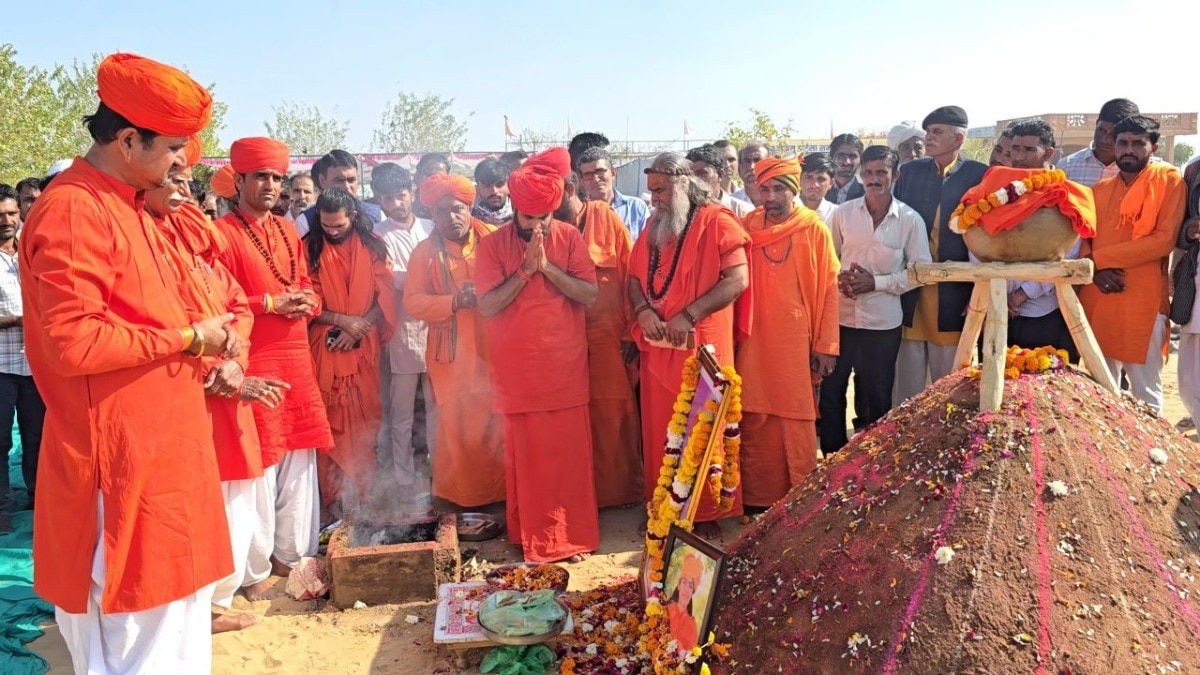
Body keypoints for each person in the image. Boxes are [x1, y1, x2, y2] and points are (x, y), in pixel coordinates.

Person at [20, 51, 235, 674]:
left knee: (175, 626)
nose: (180, 164)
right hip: (122, 473)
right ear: (127, 138)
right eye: (172, 148)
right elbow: (75, 342)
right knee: (143, 638)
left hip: (165, 460)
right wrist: (188, 339)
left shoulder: (130, 204)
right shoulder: (73, 208)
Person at [141, 157, 282, 634]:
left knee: (236, 498)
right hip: (189, 402)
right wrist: (225, 372)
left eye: (188, 184)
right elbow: (163, 335)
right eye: (174, 180)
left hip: (227, 397)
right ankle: (197, 607)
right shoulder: (149, 251)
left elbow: (237, 308)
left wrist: (237, 364)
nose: (184, 192)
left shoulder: (201, 255)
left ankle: (216, 600)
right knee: (198, 506)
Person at [213, 137, 334, 595]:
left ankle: (292, 555)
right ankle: (255, 570)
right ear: (238, 180)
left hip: (295, 357)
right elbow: (214, 302)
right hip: (252, 359)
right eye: (260, 176)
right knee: (260, 465)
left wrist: (309, 298)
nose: (270, 185)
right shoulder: (221, 233)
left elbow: (304, 283)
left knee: (299, 458)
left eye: (277, 178)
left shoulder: (287, 230)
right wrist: (269, 302)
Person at [475, 150, 600, 562]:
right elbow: (488, 305)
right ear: (515, 210)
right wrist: (526, 271)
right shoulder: (493, 246)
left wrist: (548, 269)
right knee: (527, 458)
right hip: (517, 370)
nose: (539, 226)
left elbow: (589, 293)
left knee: (567, 457)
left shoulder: (570, 237)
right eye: (530, 219)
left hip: (564, 366)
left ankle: (570, 537)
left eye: (545, 217)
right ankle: (530, 536)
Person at [629, 152, 750, 539]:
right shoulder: (654, 226)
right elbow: (633, 278)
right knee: (663, 428)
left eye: (661, 190)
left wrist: (690, 314)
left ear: (684, 183)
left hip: (703, 344)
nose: (655, 199)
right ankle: (664, 504)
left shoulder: (718, 221)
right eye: (651, 191)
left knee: (703, 426)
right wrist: (644, 310)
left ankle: (705, 509)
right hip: (659, 343)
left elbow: (737, 279)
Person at [736, 157, 839, 506]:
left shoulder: (813, 228)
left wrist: (826, 344)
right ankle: (757, 495)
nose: (770, 196)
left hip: (797, 338)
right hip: (753, 336)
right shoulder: (746, 225)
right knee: (755, 411)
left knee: (796, 414)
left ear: (793, 191)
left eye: (778, 188)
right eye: (764, 188)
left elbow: (828, 287)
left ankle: (799, 494)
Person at [403, 174, 506, 508]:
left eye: (457, 209)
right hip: (450, 357)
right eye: (442, 211)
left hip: (494, 349)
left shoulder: (493, 239)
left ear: (469, 206)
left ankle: (501, 494)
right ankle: (463, 500)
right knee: (455, 426)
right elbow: (413, 301)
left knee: (496, 421)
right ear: (432, 215)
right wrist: (452, 302)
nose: (451, 217)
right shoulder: (423, 253)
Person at [819, 146, 929, 453]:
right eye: (868, 172)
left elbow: (920, 273)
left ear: (896, 175)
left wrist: (876, 282)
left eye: (881, 172)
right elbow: (828, 259)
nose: (873, 179)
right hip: (840, 318)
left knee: (876, 394)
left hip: (882, 324)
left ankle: (870, 462)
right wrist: (840, 279)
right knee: (831, 390)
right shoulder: (843, 214)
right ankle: (831, 458)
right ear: (860, 175)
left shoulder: (910, 220)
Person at [1079, 116, 1186, 413]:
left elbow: (1163, 241)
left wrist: (1097, 261)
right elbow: (1086, 236)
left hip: (1143, 299)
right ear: (1113, 146)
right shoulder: (1100, 190)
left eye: (1138, 143)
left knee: (1146, 394)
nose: (1129, 149)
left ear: (1153, 146)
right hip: (1098, 295)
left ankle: (1152, 458)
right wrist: (1095, 271)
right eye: (1122, 143)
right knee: (1100, 390)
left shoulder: (1169, 181)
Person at [552, 164, 643, 508]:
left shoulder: (606, 219)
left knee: (614, 415)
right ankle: (579, 493)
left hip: (608, 337)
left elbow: (631, 274)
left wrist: (631, 332)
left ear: (570, 191)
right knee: (571, 419)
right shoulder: (545, 228)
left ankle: (618, 493)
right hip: (563, 343)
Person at [306, 188, 396, 512]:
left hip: (364, 346)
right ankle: (332, 505)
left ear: (353, 217)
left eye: (338, 226)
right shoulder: (309, 248)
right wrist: (341, 321)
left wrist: (361, 324)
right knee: (331, 425)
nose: (332, 232)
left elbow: (384, 294)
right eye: (326, 225)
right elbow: (307, 298)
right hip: (325, 346)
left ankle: (366, 499)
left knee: (366, 421)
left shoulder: (373, 247)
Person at [893, 105, 987, 404]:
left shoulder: (978, 175)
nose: (929, 139)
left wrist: (976, 291)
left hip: (954, 292)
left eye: (937, 132)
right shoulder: (910, 171)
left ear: (958, 139)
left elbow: (985, 236)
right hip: (912, 289)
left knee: (950, 384)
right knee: (907, 384)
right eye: (928, 132)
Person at [375, 165, 436, 491]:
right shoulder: (379, 235)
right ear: (380, 201)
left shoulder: (430, 226)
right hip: (403, 331)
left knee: (436, 406)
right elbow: (391, 279)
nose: (397, 203)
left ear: (412, 193)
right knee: (402, 411)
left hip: (437, 327)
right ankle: (402, 477)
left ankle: (440, 472)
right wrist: (429, 281)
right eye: (390, 198)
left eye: (402, 195)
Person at [998, 120, 1079, 361]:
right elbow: (977, 241)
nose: (1019, 156)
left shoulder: (1066, 193)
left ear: (1050, 152)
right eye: (1015, 148)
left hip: (1045, 310)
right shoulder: (993, 190)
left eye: (1029, 149)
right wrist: (1000, 292)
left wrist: (1022, 294)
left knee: (1041, 386)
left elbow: (1070, 252)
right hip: (998, 307)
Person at [0, 185, 43, 535]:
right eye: (0, 215)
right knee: (0, 441)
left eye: (12, 213)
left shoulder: (32, 252)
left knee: (37, 437)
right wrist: (17, 320)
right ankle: (1, 510)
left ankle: (38, 500)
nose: (7, 221)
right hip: (1, 367)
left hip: (34, 365)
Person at [295, 150, 383, 236]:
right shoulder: (305, 222)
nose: (346, 186)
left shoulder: (377, 215)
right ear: (322, 181)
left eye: (351, 180)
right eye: (339, 180)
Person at [1060, 98, 1141, 188]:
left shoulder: (1145, 170)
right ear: (1097, 124)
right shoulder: (1066, 167)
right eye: (1102, 130)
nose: (1105, 140)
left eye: (1114, 134)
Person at [1174, 157, 1200, 425]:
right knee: (1191, 379)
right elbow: (1177, 229)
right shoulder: (1195, 170)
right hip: (1195, 284)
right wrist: (1189, 230)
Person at [578, 145, 649, 240]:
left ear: (613, 173)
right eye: (588, 174)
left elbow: (647, 247)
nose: (595, 178)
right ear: (582, 181)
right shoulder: (579, 213)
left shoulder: (636, 208)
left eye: (600, 171)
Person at [687, 144, 753, 220]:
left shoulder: (742, 211)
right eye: (692, 174)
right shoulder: (685, 213)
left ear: (720, 175)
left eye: (702, 173)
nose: (695, 180)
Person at [665, 552, 704, 651]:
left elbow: (690, 655)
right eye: (684, 583)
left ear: (692, 592)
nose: (686, 589)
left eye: (690, 586)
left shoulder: (691, 625)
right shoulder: (666, 608)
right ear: (678, 585)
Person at [472, 157, 514, 225]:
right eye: (487, 185)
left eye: (499, 184)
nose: (494, 191)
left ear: (509, 185)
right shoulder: (469, 219)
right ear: (478, 187)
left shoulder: (522, 217)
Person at [826, 134, 866, 205]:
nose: (846, 162)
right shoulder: (820, 191)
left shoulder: (867, 195)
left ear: (860, 160)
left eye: (853, 156)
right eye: (841, 156)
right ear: (831, 158)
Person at [799, 153, 837, 222]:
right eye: (809, 177)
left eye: (821, 179)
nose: (814, 185)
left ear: (831, 183)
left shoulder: (837, 214)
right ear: (799, 179)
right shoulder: (786, 210)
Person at [412, 153, 451, 220]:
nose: (435, 182)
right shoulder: (404, 206)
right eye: (430, 176)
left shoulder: (452, 207)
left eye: (441, 178)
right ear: (417, 176)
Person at [733, 141, 769, 206]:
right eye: (747, 161)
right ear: (739, 169)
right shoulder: (730, 204)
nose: (751, 167)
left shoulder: (782, 200)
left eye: (758, 160)